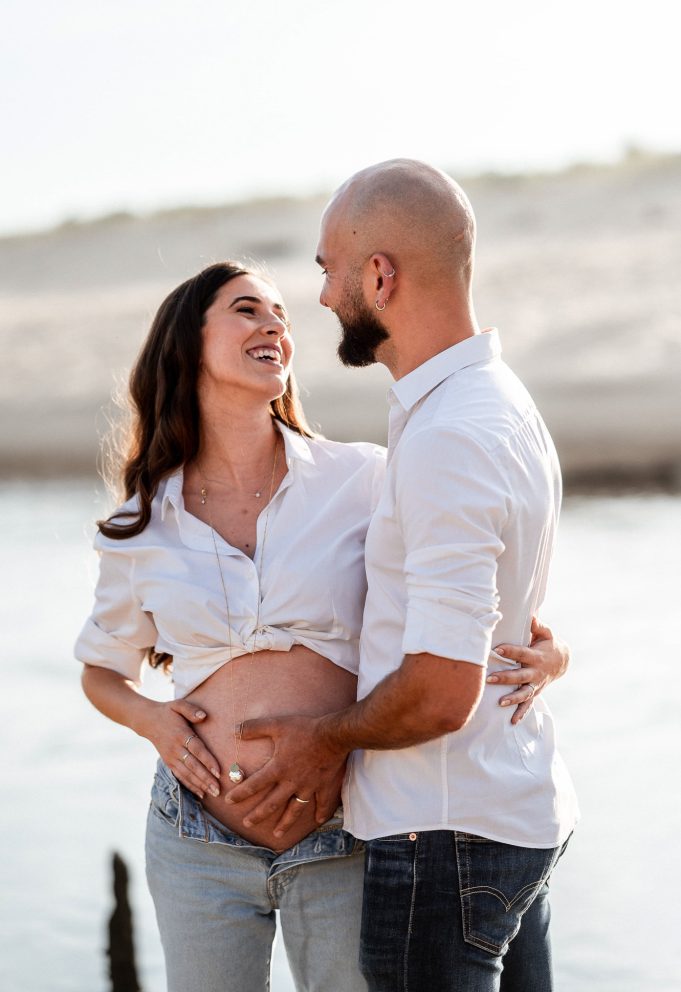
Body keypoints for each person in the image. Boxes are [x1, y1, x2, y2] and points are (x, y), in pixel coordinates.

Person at [75, 260, 569, 992]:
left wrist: (552, 654)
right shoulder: (140, 521)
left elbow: (482, 596)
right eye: (247, 309)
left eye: (280, 312)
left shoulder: (363, 479)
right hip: (194, 841)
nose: (275, 323)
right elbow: (100, 672)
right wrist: (156, 724)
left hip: (341, 831)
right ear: (186, 344)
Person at [226, 161, 580, 992]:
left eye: (326, 269)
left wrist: (325, 738)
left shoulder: (449, 434)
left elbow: (440, 691)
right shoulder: (495, 400)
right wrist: (555, 653)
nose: (319, 297)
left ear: (378, 275)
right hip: (505, 815)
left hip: (444, 839)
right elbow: (507, 607)